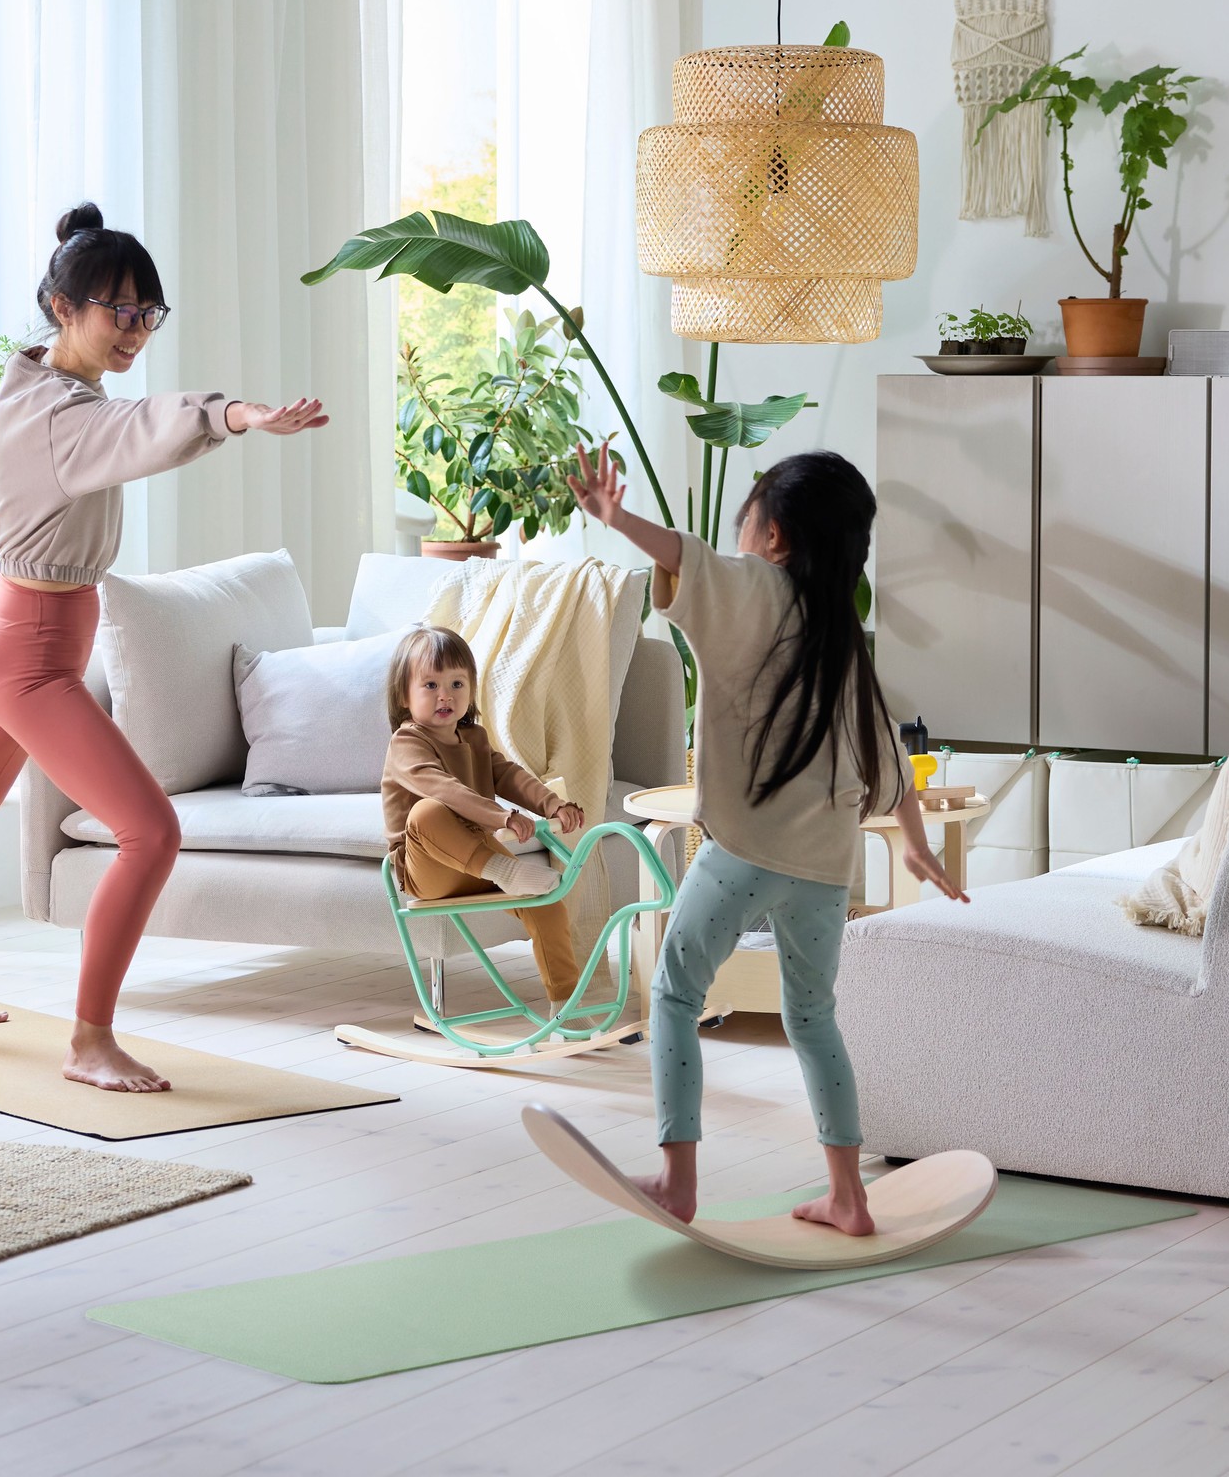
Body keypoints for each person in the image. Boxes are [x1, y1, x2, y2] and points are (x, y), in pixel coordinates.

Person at [0, 202, 326, 1092]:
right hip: (33, 654)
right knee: (151, 831)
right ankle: (90, 1042)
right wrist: (235, 414)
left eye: (146, 314)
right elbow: (148, 427)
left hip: (14, 633)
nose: (133, 330)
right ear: (62, 307)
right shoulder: (71, 419)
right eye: (116, 311)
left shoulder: (32, 395)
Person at [568, 443, 967, 1232]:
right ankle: (849, 1196)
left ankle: (678, 1181)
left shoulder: (756, 588)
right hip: (825, 869)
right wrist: (916, 843)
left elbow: (691, 559)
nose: (739, 536)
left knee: (677, 994)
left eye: (748, 518)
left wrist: (619, 519)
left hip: (743, 855)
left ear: (775, 536)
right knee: (813, 1021)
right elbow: (887, 755)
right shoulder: (843, 636)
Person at [380, 625, 589, 1018]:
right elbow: (441, 788)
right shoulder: (407, 742)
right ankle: (504, 871)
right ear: (403, 697)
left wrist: (552, 805)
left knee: (547, 904)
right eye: (430, 685)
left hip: (479, 856)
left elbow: (508, 775)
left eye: (457, 683)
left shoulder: (473, 738)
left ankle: (566, 1006)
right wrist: (501, 816)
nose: (446, 695)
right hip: (430, 869)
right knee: (427, 810)